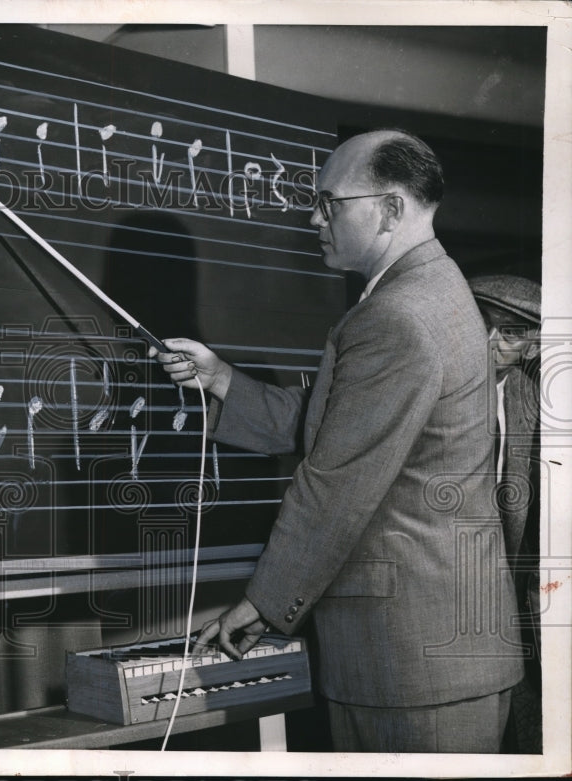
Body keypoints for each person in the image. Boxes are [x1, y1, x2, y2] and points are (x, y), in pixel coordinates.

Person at [152, 129, 524, 753]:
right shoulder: (434, 287)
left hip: (412, 664)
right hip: (437, 653)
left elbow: (336, 481)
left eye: (330, 203)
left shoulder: (397, 315)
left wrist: (262, 604)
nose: (313, 216)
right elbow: (344, 426)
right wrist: (223, 381)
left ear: (390, 209)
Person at [469, 274, 542, 754]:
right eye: (482, 324)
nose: (492, 342)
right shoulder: (423, 382)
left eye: (512, 332)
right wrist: (222, 381)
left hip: (508, 594)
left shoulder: (528, 394)